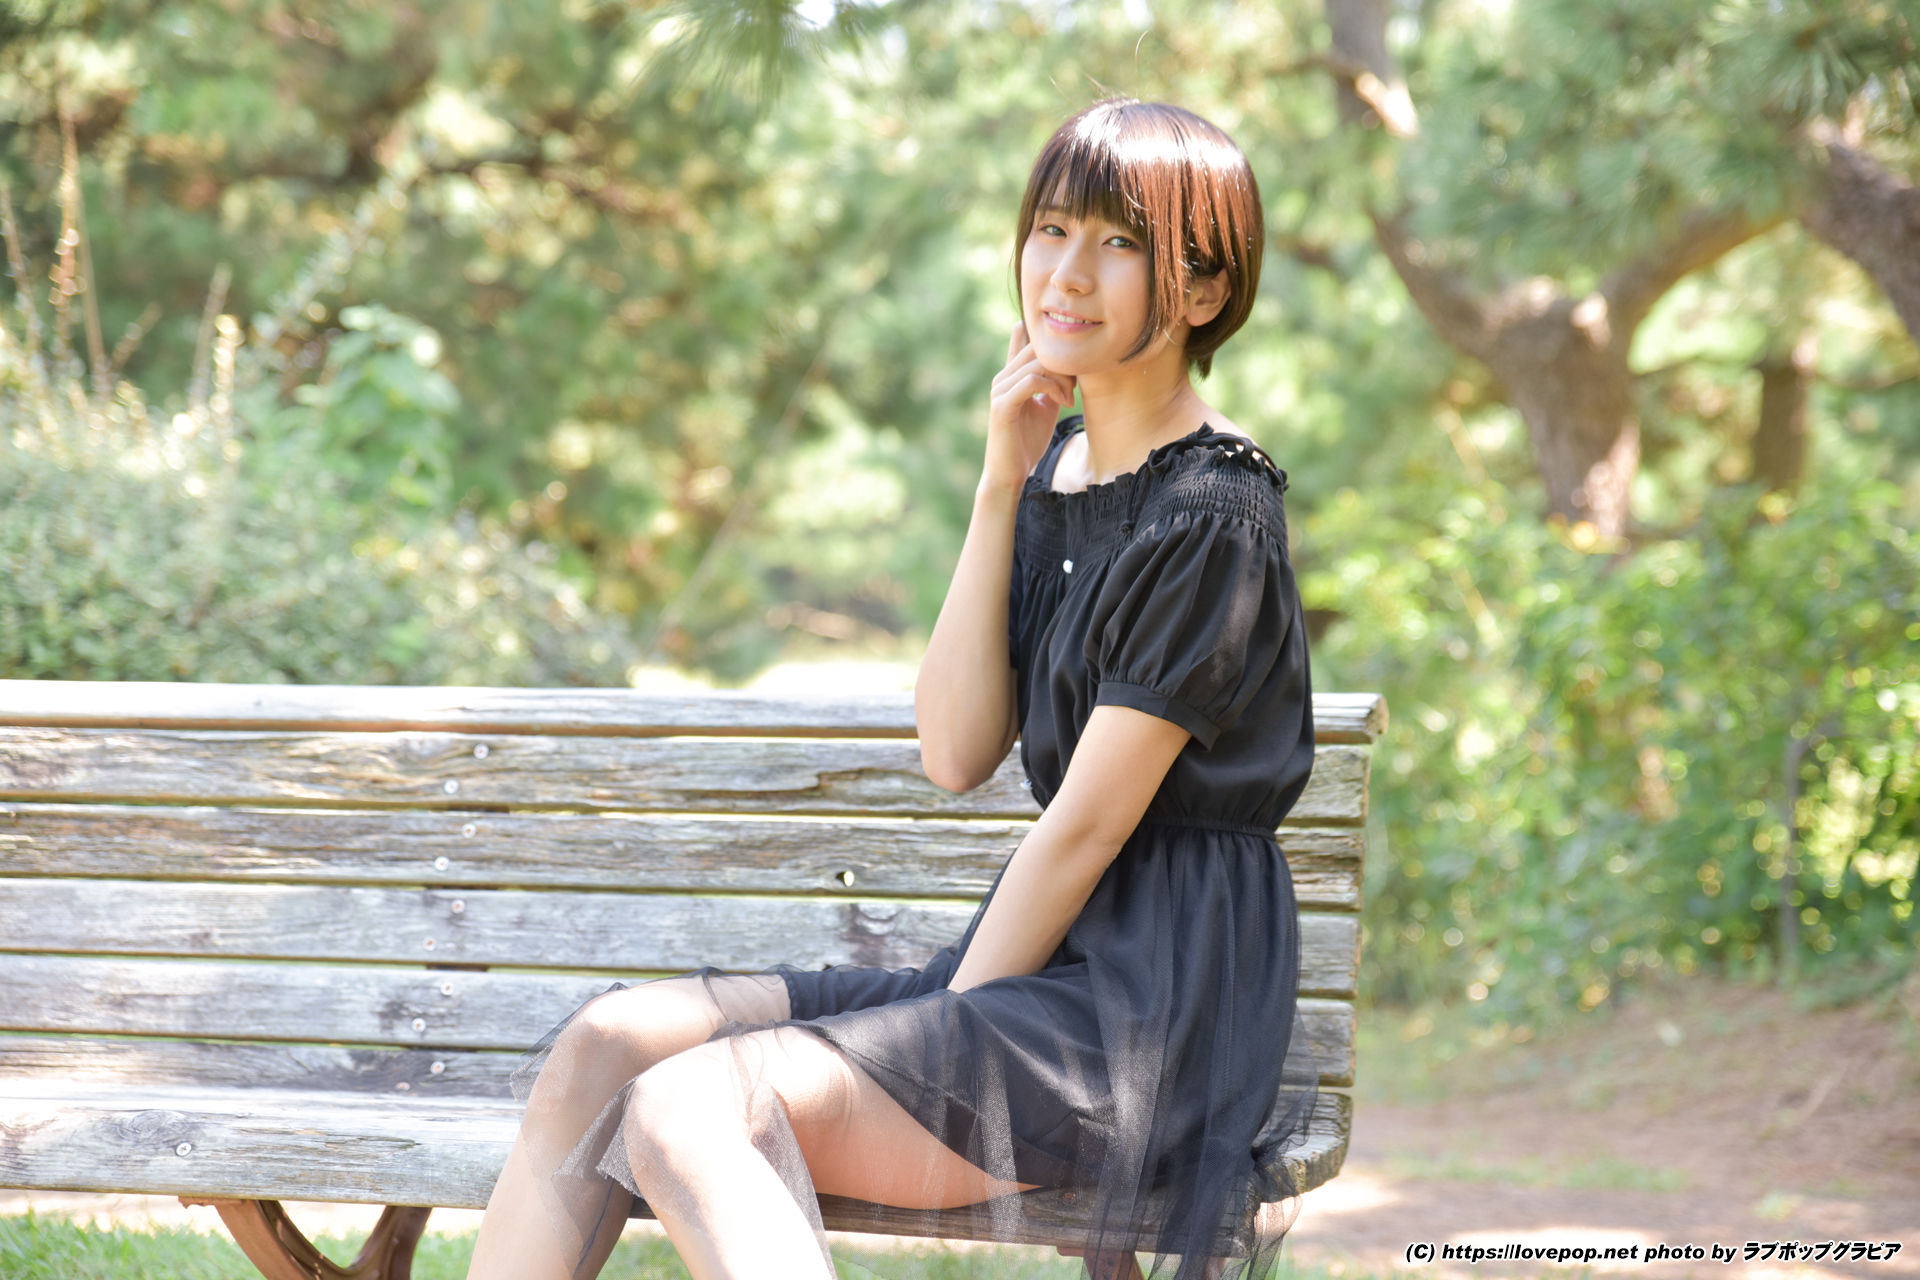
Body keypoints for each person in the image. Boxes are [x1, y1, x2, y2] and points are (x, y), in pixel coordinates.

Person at [466, 96, 1320, 1280]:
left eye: (1119, 242)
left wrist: (935, 1027)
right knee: (609, 1041)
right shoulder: (1060, 470)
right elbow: (956, 749)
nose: (1067, 273)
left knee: (691, 1107)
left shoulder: (1214, 509)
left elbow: (1083, 829)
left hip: (1143, 1011)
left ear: (1206, 288)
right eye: (1052, 230)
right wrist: (998, 484)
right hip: (1046, 968)